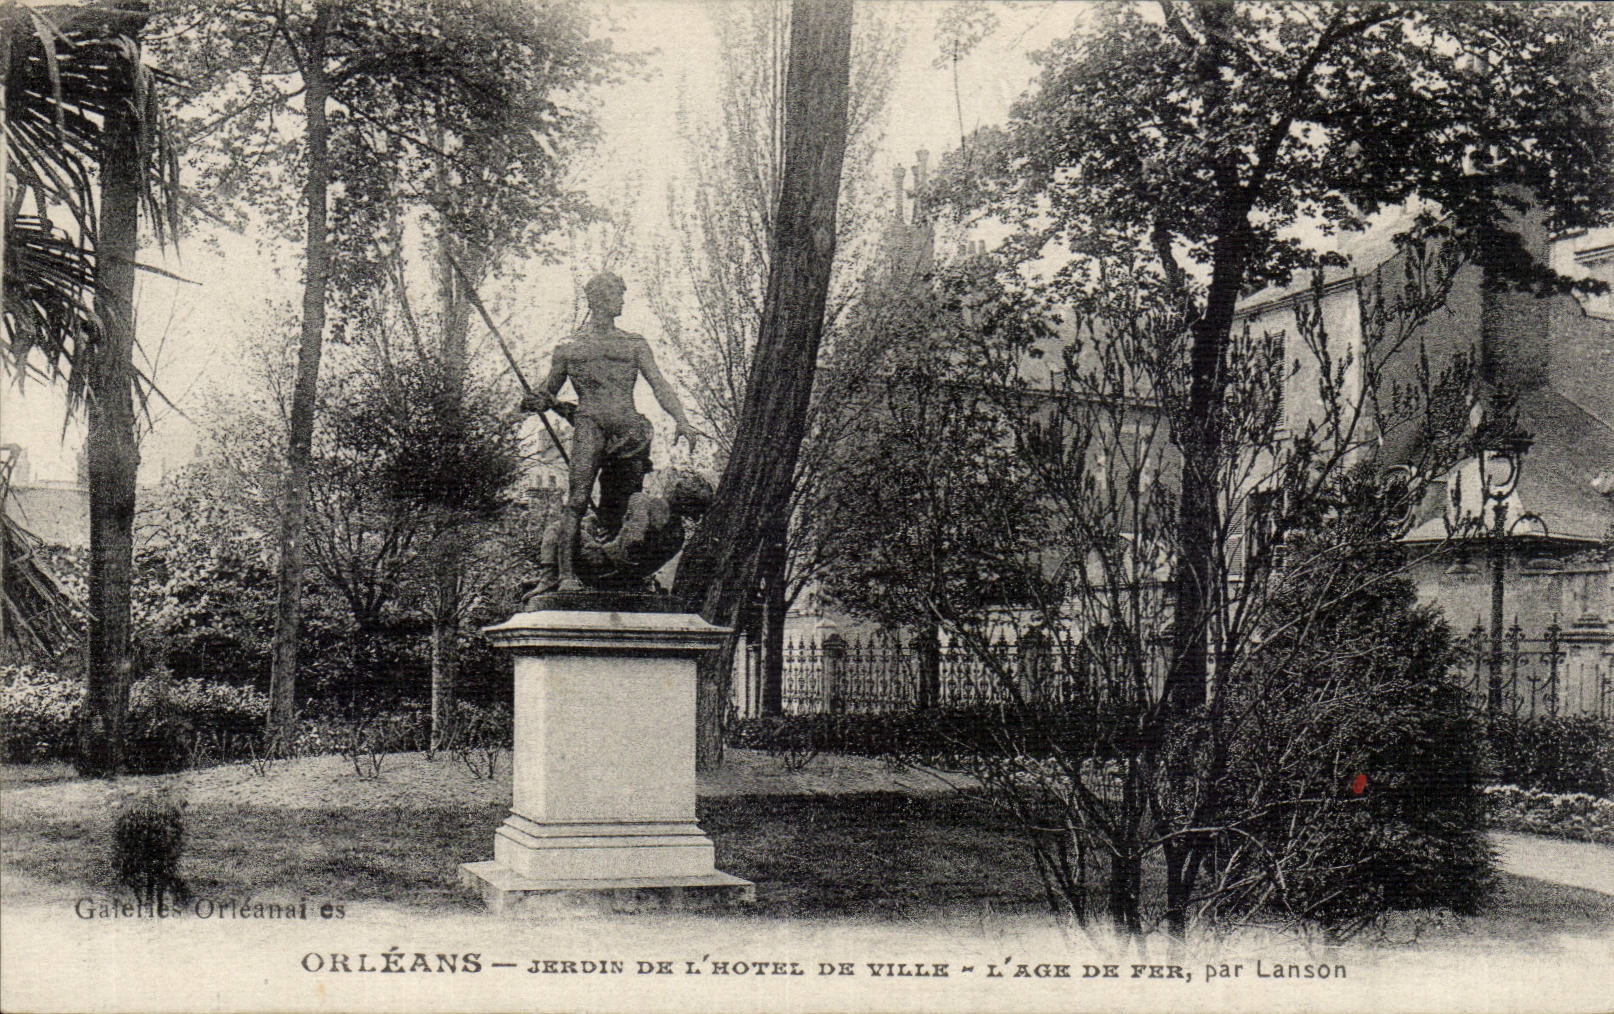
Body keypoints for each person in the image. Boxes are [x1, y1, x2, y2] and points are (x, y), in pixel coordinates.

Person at [521, 272, 698, 593]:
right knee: (576, 499)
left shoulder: (633, 343)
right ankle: (566, 576)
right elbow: (547, 391)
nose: (622, 301)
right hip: (590, 427)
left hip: (629, 431)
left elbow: (659, 384)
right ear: (598, 299)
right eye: (617, 294)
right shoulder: (568, 347)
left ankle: (624, 577)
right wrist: (536, 401)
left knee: (624, 504)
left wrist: (681, 418)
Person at [529, 470, 714, 601]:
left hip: (600, 566)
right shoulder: (678, 536)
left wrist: (617, 536)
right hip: (628, 581)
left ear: (674, 489)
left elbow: (633, 540)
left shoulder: (641, 500)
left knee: (560, 527)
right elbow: (641, 558)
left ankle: (548, 577)